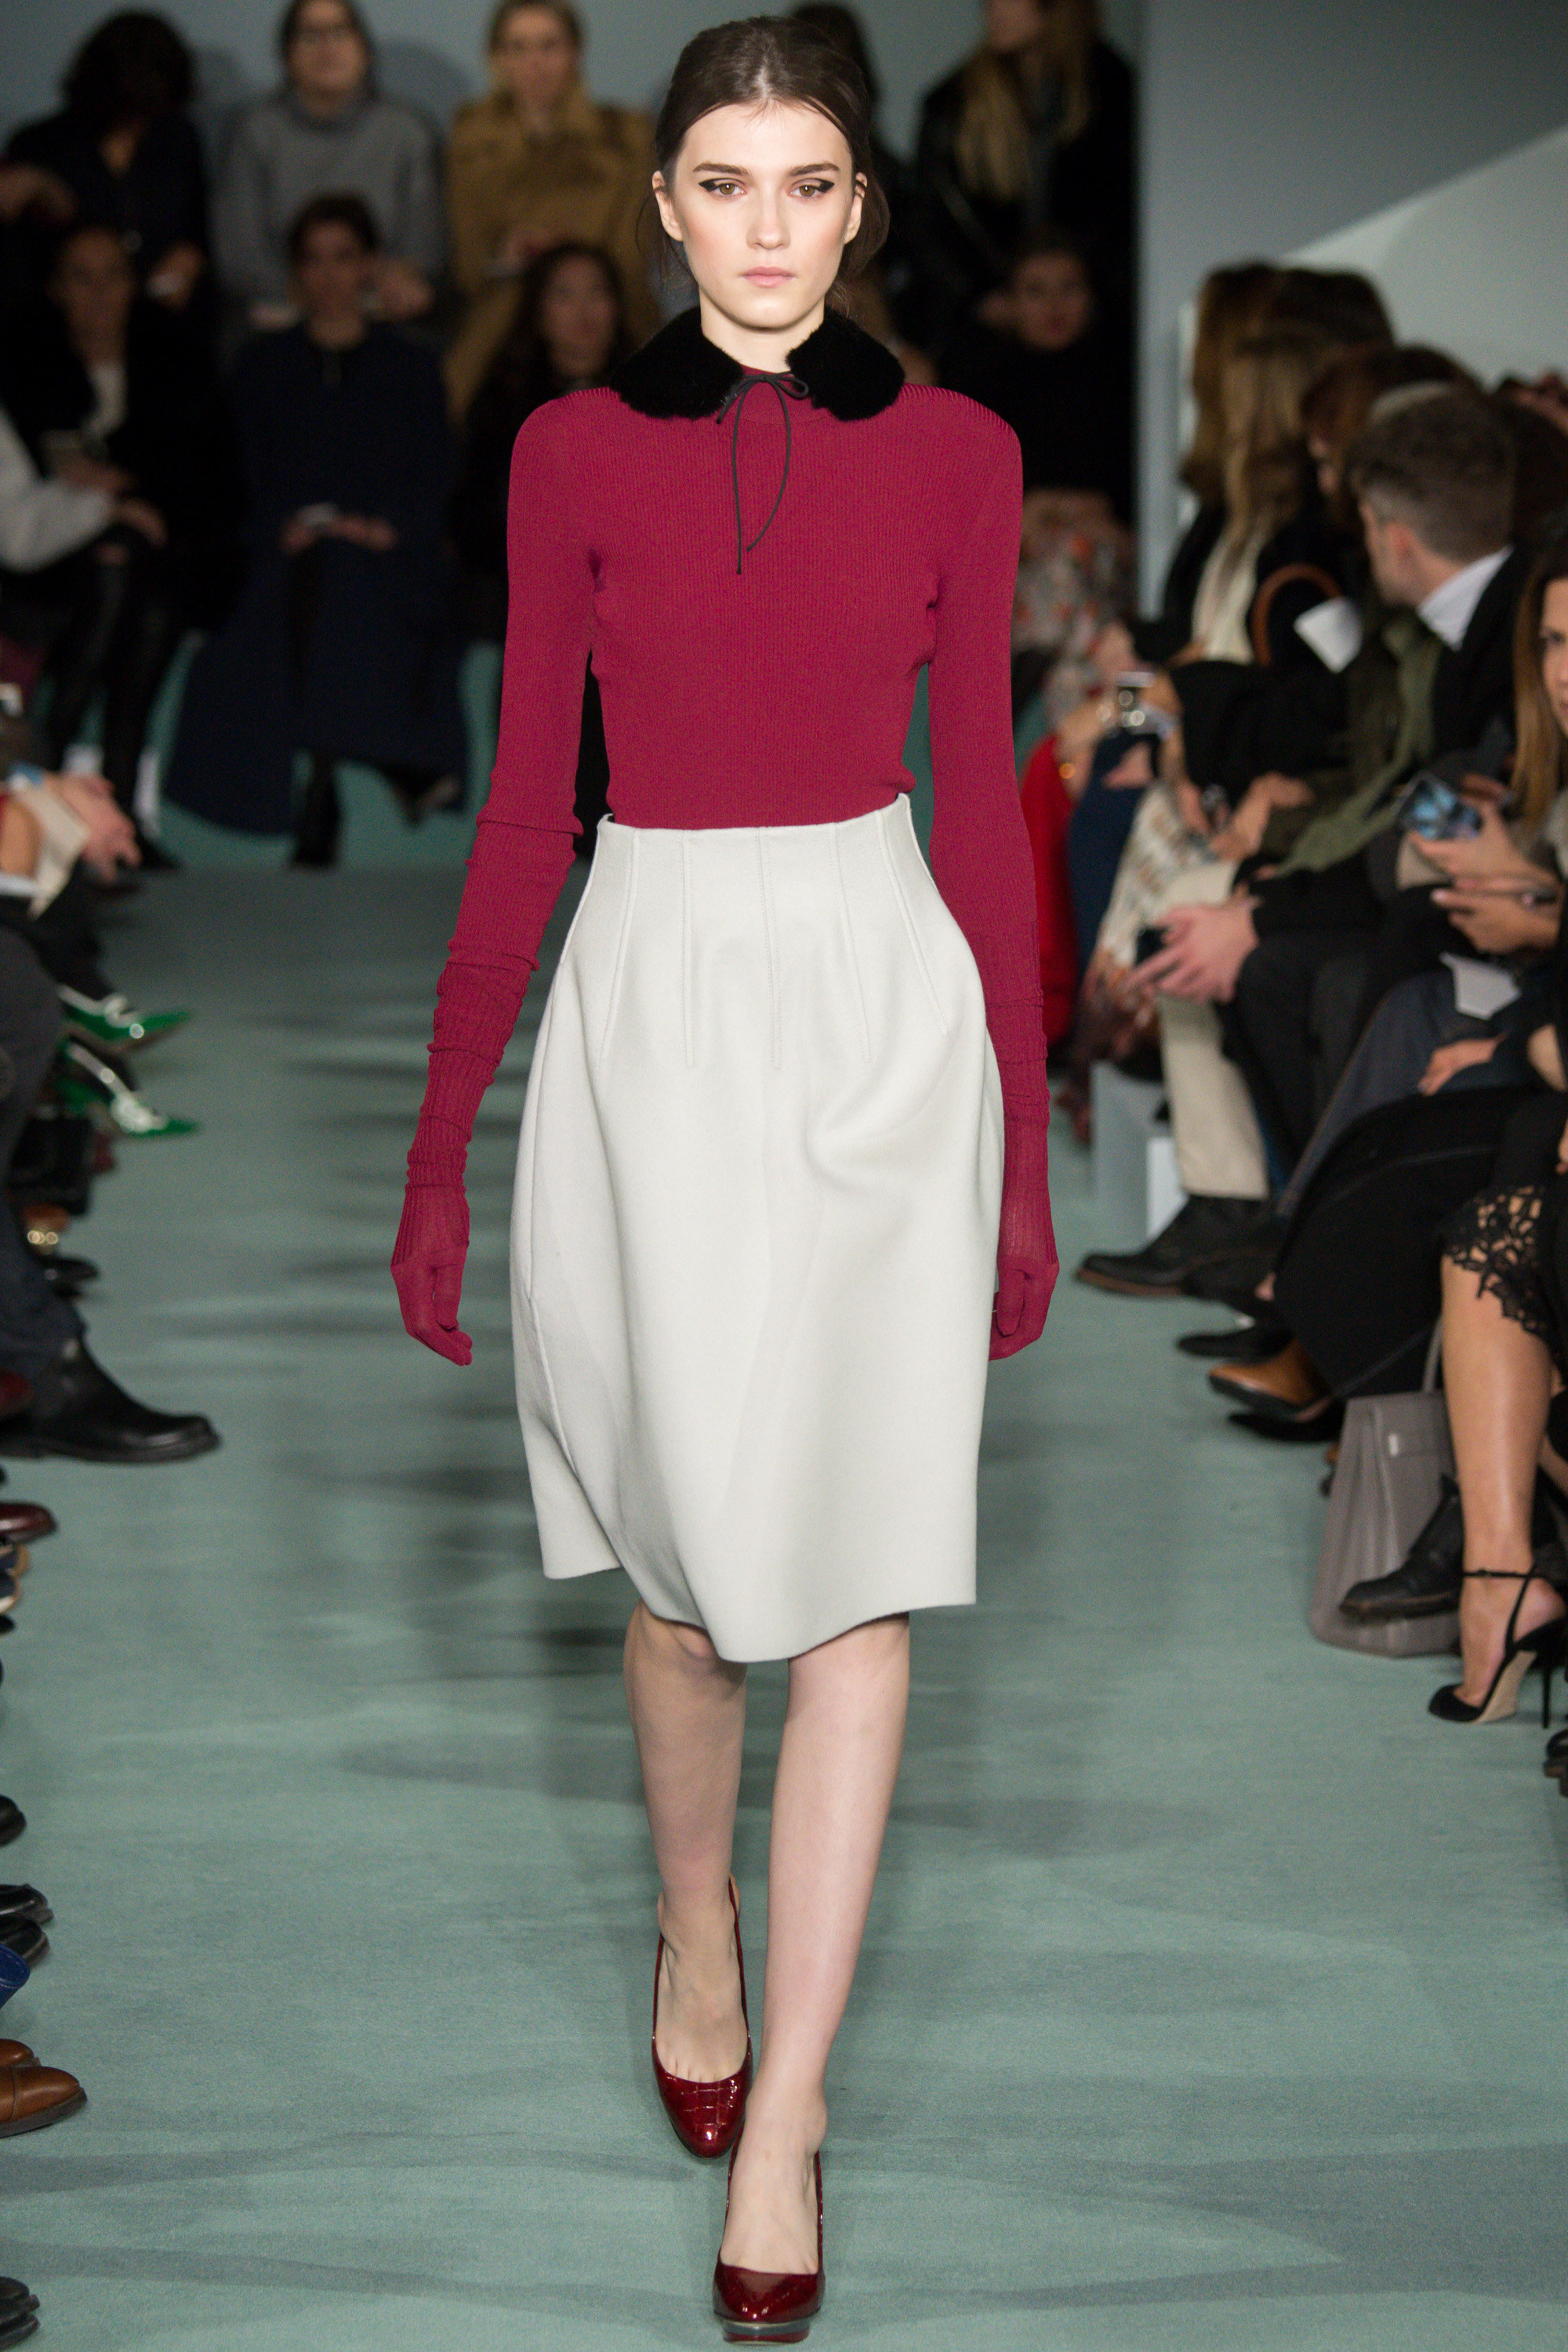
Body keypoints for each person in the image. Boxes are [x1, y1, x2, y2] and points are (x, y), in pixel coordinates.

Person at [392, 17, 1055, 2335]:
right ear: (661, 203)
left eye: (807, 182)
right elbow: (524, 801)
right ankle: (697, 1930)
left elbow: (978, 804)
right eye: (723, 182)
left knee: (856, 1585)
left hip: (877, 1001)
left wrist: (1021, 1151)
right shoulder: (569, 447)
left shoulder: (961, 451)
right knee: (680, 1590)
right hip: (651, 999)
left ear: (858, 205)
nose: (767, 227)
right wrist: (442, 1133)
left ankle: (788, 2124)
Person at [1078, 389, 1527, 1297]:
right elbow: (1389, 787)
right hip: (1408, 872)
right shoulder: (1444, 620)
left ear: (1391, 534)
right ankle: (1276, 1233)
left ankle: (1306, 1257)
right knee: (1250, 939)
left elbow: (1414, 807)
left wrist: (1267, 895)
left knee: (1296, 963)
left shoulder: (1476, 627)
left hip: (1467, 900)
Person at [165, 195, 464, 862]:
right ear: (296, 271)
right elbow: (237, 476)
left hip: (390, 558)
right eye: (314, 260)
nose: (330, 276)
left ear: (369, 265)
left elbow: (434, 474)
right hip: (285, 555)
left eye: (344, 258)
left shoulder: (411, 367)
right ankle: (368, 771)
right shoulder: (261, 365)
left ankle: (323, 788)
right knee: (316, 580)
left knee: (336, 582)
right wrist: (279, 527)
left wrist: (385, 531)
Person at [0, 221, 238, 851]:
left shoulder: (175, 360)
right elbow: (19, 518)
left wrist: (122, 498)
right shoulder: (23, 367)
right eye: (83, 277)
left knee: (142, 581)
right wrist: (108, 506)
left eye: (114, 276)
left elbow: (206, 486)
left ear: (135, 284)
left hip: (161, 556)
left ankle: (97, 782)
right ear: (55, 288)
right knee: (116, 565)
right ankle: (81, 780)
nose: (101, 293)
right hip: (43, 570)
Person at [450, 240, 630, 844]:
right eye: (564, 295)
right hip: (533, 593)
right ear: (537, 312)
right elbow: (473, 519)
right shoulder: (506, 404)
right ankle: (549, 822)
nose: (584, 311)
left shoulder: (656, 399)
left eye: (597, 292)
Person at [443, 2, 657, 417]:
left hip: (607, 315)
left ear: (576, 52)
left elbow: (630, 260)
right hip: (505, 320)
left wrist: (566, 257)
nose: (534, 64)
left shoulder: (625, 138)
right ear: (496, 58)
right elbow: (468, 266)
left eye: (549, 46)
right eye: (518, 47)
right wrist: (506, 257)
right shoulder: (470, 139)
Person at [908, 0, 1134, 372]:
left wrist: (1090, 292)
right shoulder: (955, 104)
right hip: (986, 340)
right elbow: (927, 222)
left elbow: (1131, 217)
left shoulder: (1116, 95)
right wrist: (981, 297)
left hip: (1097, 344)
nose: (991, 8)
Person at [213, 0, 441, 331]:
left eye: (339, 33)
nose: (326, 48)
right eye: (309, 36)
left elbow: (425, 250)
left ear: (364, 48)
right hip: (281, 320)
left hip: (382, 319)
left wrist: (389, 285)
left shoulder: (408, 131)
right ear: (287, 54)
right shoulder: (253, 133)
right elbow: (238, 255)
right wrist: (312, 298)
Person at [4, 13, 210, 318]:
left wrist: (190, 258)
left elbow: (197, 227)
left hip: (159, 318)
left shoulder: (177, 137)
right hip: (65, 323)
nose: (138, 122)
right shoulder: (40, 145)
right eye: (130, 108)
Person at [943, 227, 1131, 517]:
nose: (1054, 306)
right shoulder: (981, 389)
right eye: (1036, 291)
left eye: (1069, 288)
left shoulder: (1124, 385)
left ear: (1091, 296)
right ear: (1008, 303)